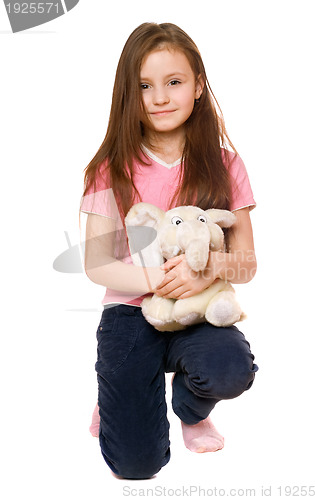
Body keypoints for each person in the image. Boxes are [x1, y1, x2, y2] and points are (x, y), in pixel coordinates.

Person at [80, 22, 258, 480]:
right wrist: (153, 281)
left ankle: (191, 408)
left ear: (198, 86)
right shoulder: (109, 168)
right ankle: (118, 388)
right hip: (130, 313)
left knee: (231, 368)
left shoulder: (225, 164)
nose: (159, 97)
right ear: (128, 93)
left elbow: (248, 262)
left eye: (173, 82)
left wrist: (205, 272)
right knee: (136, 466)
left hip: (197, 311)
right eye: (144, 86)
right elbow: (96, 264)